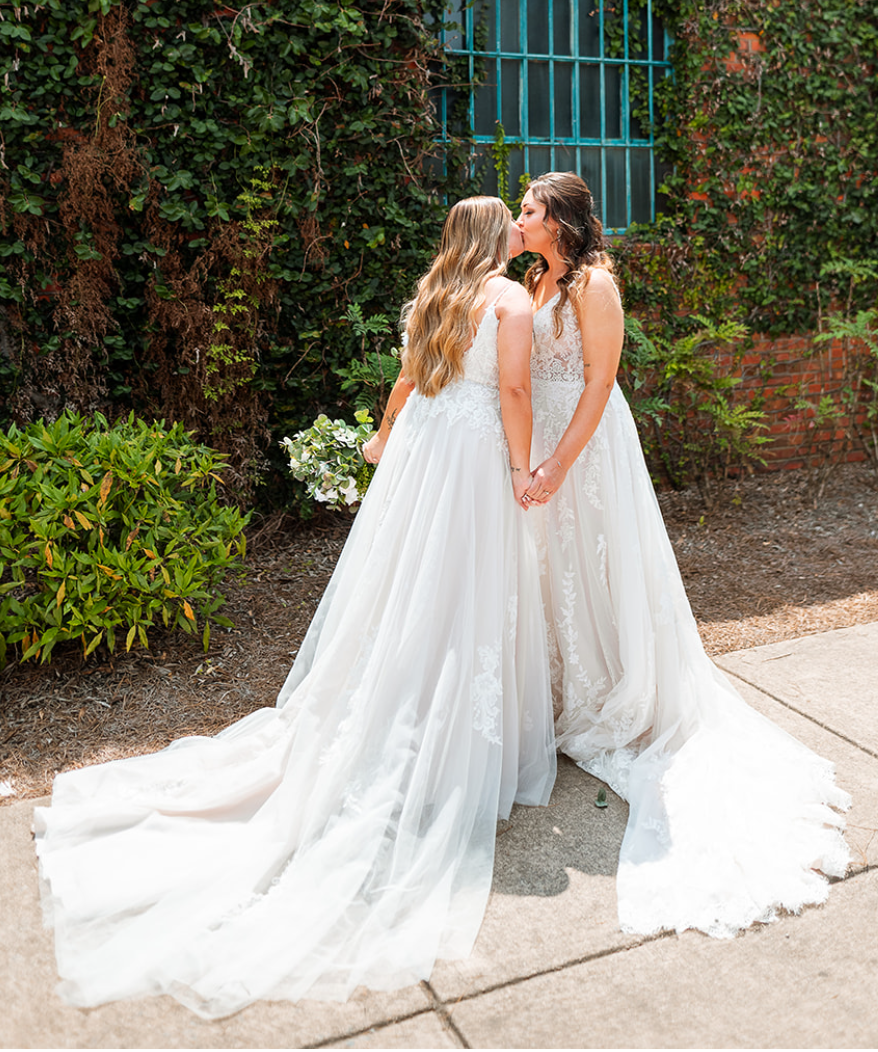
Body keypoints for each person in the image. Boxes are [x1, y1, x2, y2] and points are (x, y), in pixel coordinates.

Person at [34, 196, 555, 1019]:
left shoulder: (435, 295)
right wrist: (524, 470)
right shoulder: (513, 300)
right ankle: (438, 737)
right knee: (461, 595)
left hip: (424, 460)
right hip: (471, 465)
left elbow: (410, 383)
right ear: (497, 239)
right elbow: (516, 392)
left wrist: (383, 438)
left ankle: (399, 710)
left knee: (404, 594)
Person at [516, 171, 850, 939]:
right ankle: (564, 683)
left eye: (530, 209)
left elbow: (600, 383)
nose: (520, 216)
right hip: (540, 440)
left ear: (560, 219)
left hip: (588, 448)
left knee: (598, 563)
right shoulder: (537, 278)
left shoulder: (596, 284)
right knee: (551, 567)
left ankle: (615, 687)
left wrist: (560, 462)